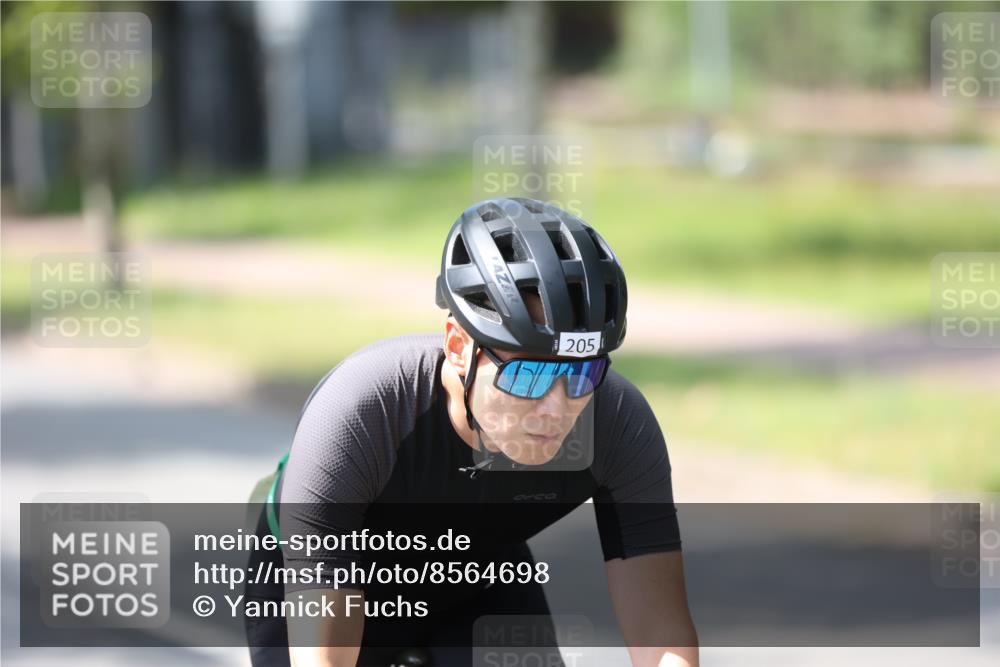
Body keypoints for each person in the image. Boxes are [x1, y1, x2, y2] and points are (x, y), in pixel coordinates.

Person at [244, 197, 699, 667]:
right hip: (327, 577)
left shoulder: (617, 422)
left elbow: (660, 635)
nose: (557, 408)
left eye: (582, 375)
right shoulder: (363, 410)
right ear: (460, 348)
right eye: (528, 377)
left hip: (479, 581)